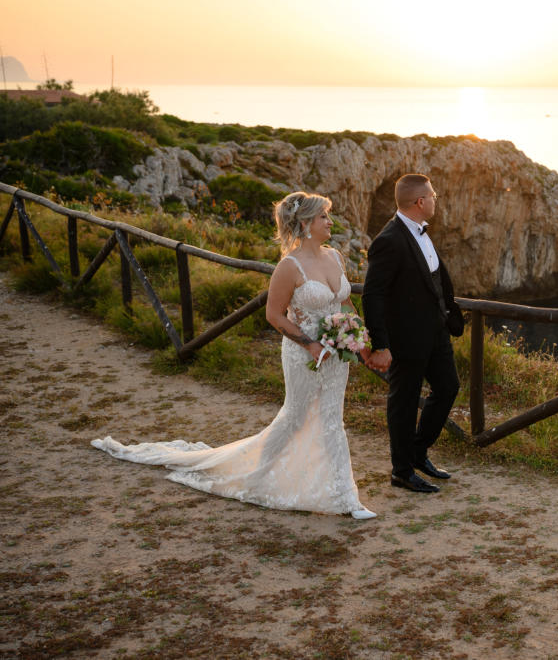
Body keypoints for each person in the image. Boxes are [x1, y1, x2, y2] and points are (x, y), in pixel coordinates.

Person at [92, 191, 376, 520]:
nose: (330, 221)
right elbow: (274, 314)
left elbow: (345, 304)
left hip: (337, 356)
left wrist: (358, 340)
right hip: (303, 355)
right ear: (305, 223)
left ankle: (345, 498)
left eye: (328, 215)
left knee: (331, 419)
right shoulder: (289, 266)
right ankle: (256, 476)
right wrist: (310, 344)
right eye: (324, 216)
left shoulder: (336, 257)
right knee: (294, 418)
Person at [363, 173, 462, 494]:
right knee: (403, 403)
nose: (436, 200)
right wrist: (381, 344)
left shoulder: (420, 232)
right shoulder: (388, 240)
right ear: (420, 202)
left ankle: (418, 451)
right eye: (433, 195)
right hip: (405, 339)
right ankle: (401, 471)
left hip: (436, 331)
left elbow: (434, 279)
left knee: (448, 387)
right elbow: (372, 295)